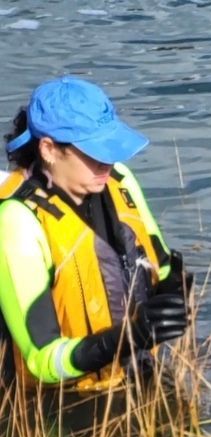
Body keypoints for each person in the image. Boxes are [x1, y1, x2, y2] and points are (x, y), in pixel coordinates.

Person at [0, 75, 189, 395]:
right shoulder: (16, 222)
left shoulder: (119, 180)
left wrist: (175, 295)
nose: (107, 162)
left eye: (110, 147)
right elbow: (42, 361)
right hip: (56, 404)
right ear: (48, 149)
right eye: (93, 151)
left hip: (133, 375)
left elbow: (163, 267)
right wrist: (128, 337)